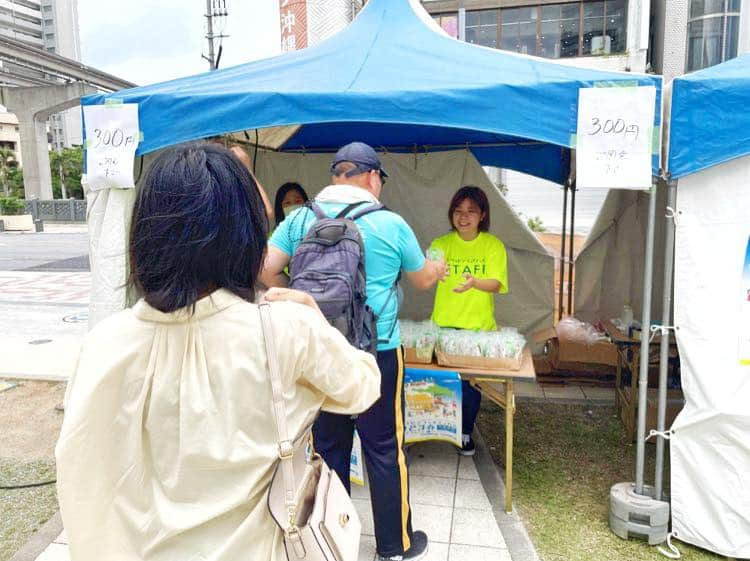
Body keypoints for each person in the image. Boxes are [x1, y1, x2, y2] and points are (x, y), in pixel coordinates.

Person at [55, 143, 381, 561]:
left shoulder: (105, 343)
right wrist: (316, 317)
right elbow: (363, 386)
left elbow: (80, 471)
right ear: (247, 236)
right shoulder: (286, 328)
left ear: (145, 235)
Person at [260, 141, 448, 561]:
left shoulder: (301, 218)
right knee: (383, 446)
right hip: (376, 350)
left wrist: (303, 293)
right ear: (371, 176)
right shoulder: (392, 224)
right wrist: (436, 268)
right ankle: (393, 546)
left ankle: (332, 539)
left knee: (328, 448)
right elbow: (421, 280)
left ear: (335, 174)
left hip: (318, 351)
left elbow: (265, 269)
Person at [429, 186, 508, 456]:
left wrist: (474, 282)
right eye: (458, 211)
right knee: (442, 382)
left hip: (478, 328)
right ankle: (439, 429)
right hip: (444, 323)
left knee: (471, 385)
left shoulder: (493, 245)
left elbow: (497, 284)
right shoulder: (441, 243)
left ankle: (464, 432)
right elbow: (431, 266)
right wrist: (435, 271)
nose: (463, 217)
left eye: (471, 211)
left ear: (482, 214)